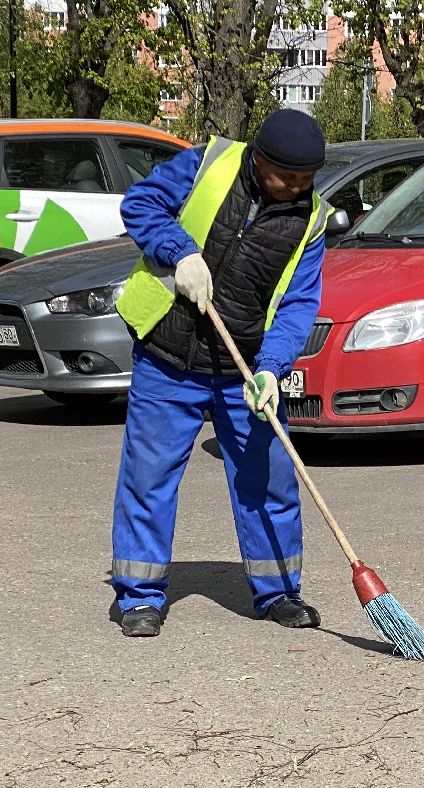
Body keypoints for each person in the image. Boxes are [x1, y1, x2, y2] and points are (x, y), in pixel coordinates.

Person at [107, 109, 333, 638]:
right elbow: (140, 204)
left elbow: (298, 304)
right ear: (259, 158)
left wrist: (272, 370)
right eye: (284, 176)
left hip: (243, 371)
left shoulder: (312, 220)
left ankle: (279, 591)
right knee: (148, 478)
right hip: (168, 357)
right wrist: (179, 252)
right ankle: (139, 596)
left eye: (305, 179)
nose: (294, 188)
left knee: (269, 481)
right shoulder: (207, 163)